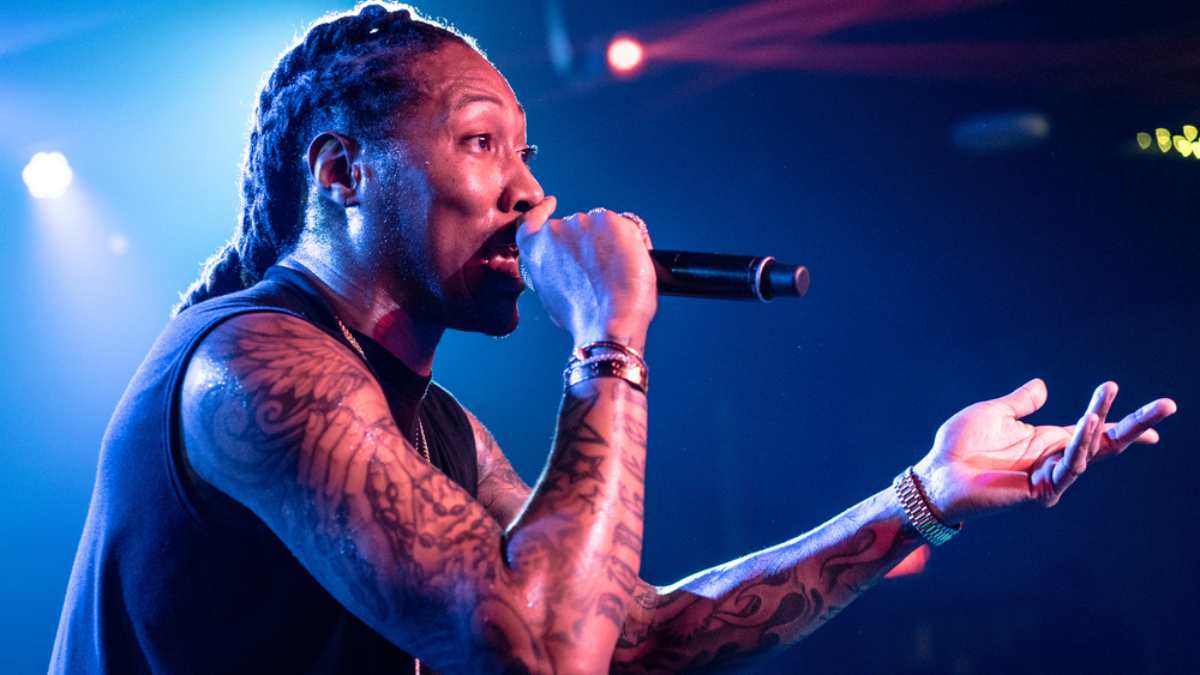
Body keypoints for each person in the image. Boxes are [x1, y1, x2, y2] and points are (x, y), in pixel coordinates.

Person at [50, 3, 1177, 673]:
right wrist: (606, 342)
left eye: (527, 152)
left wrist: (918, 496)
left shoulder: (430, 426)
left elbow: (617, 638)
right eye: (485, 144)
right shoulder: (250, 366)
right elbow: (540, 657)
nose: (531, 197)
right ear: (343, 172)